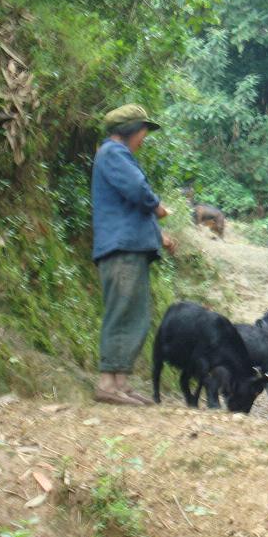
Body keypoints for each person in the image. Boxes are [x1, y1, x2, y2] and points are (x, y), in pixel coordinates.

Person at [90, 104, 177, 406]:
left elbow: (130, 205)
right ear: (130, 131)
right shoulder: (114, 153)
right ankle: (106, 384)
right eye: (142, 132)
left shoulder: (115, 155)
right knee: (123, 313)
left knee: (134, 315)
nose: (144, 138)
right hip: (122, 249)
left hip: (128, 247)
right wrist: (159, 206)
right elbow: (139, 191)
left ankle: (120, 384)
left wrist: (159, 235)